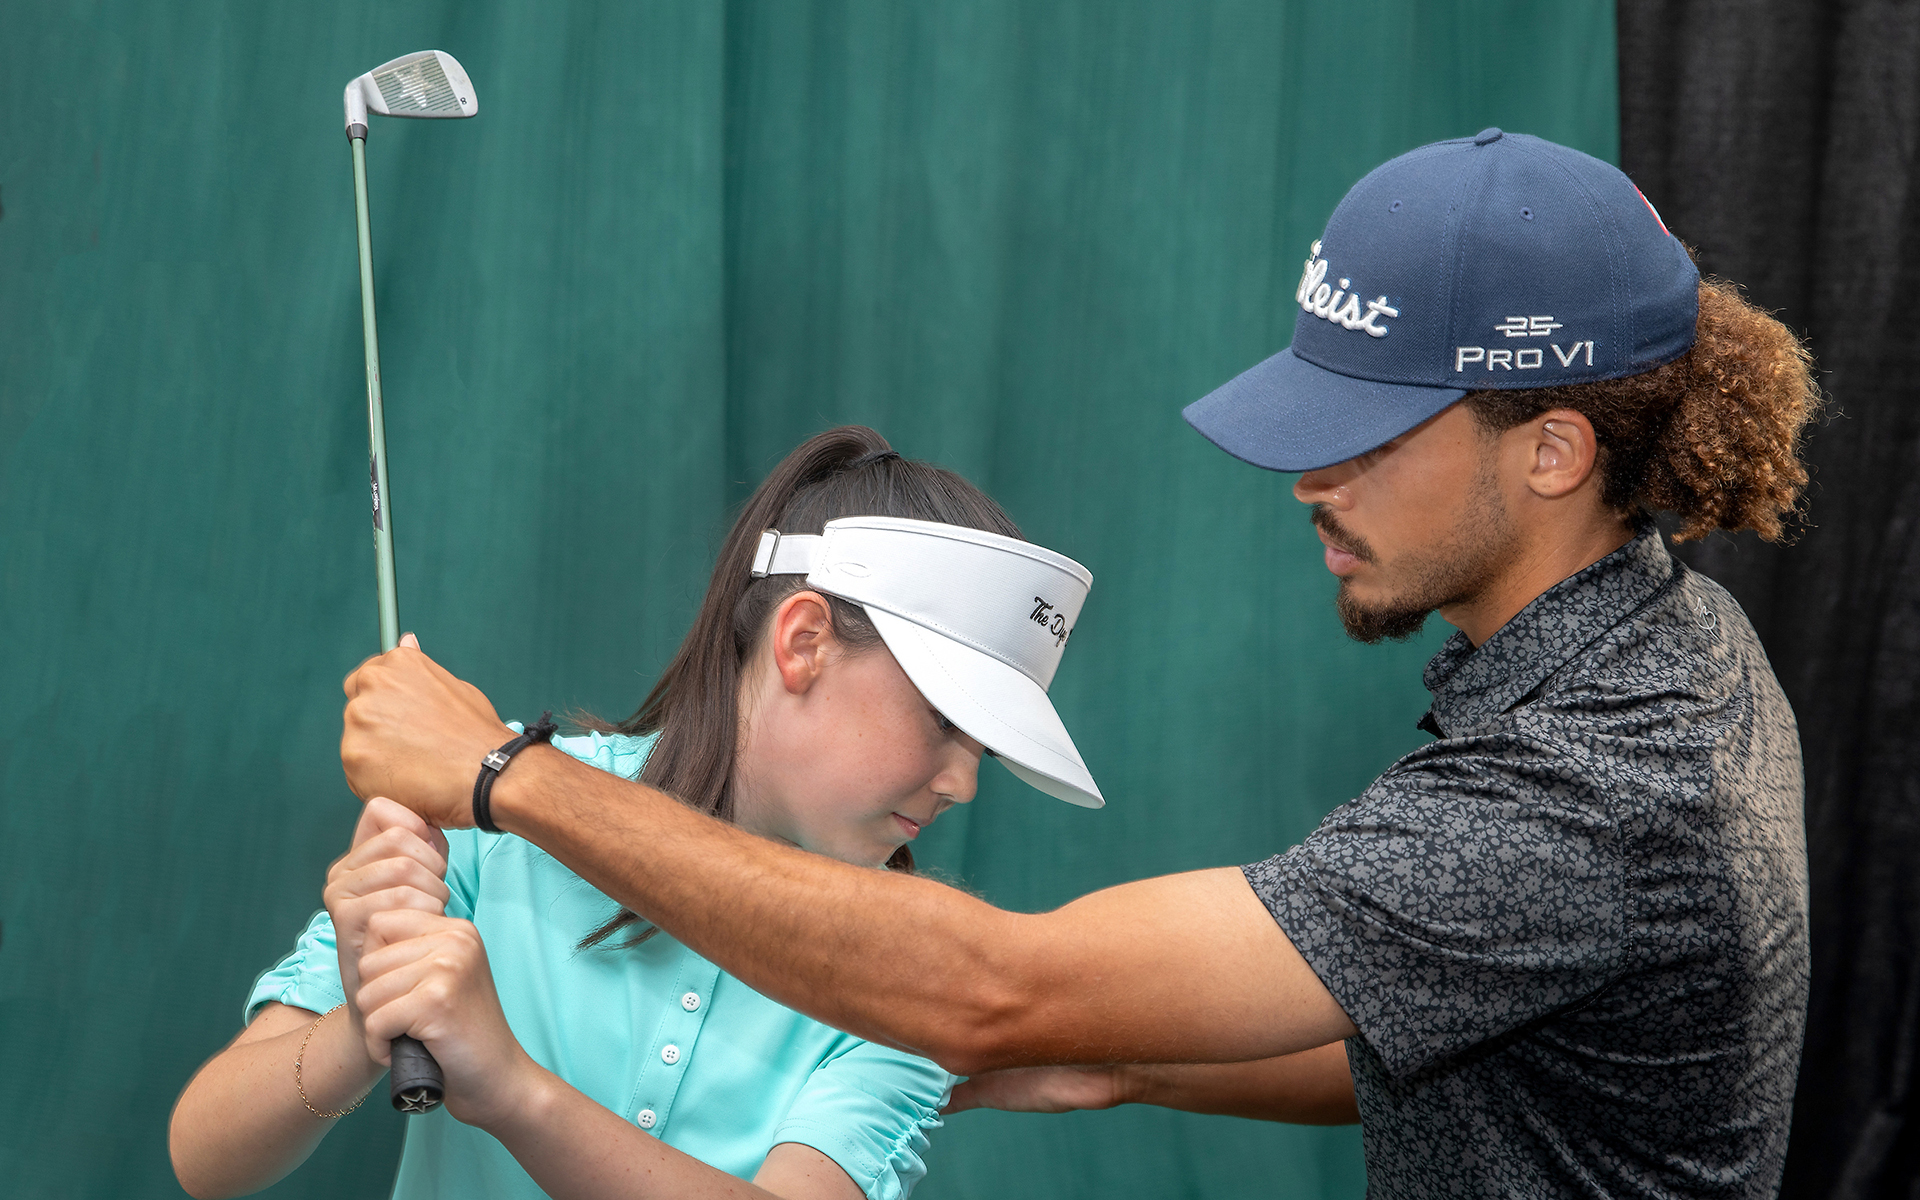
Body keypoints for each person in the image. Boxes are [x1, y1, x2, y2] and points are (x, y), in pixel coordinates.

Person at [335, 131, 1820, 1198]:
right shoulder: (1673, 647)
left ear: (1554, 450)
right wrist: (1133, 1062)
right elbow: (1472, 1018)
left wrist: (501, 777)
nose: (1310, 482)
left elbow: (996, 991)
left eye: (1368, 434)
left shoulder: (1589, 784)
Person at [169, 427, 1108, 1200]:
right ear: (805, 642)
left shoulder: (914, 977)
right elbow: (205, 1157)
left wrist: (513, 1090)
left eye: (984, 749)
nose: (963, 783)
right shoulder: (484, 811)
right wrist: (361, 1026)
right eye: (944, 722)